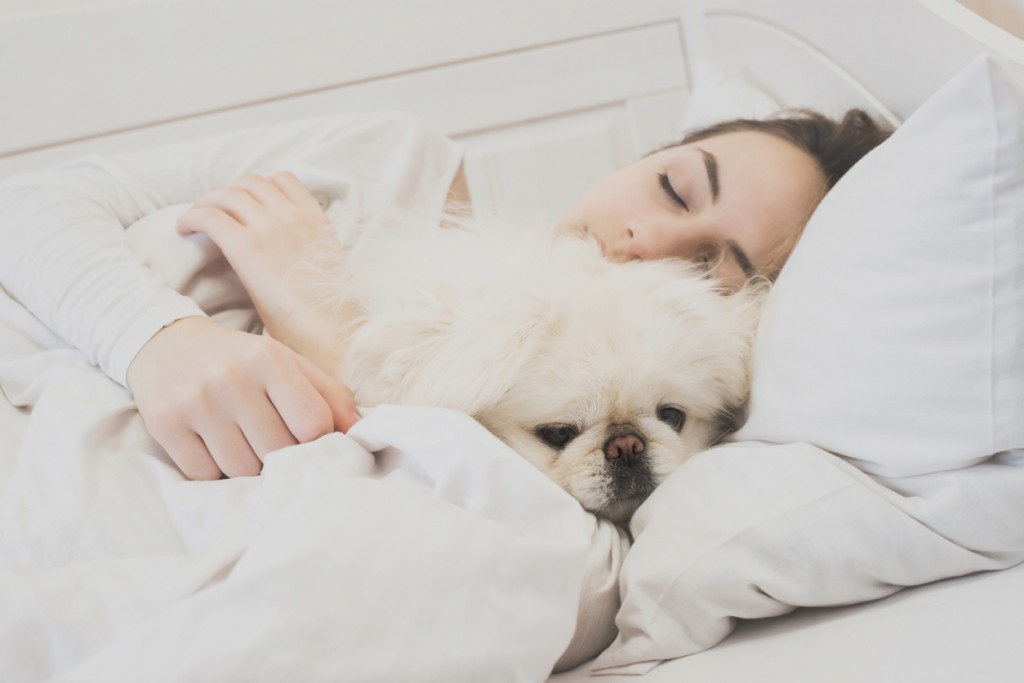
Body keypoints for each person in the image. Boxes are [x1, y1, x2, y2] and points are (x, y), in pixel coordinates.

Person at [0, 108, 890, 482]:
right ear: (642, 154)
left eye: (709, 266)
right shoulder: (394, 160)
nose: (644, 242)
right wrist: (160, 337)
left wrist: (325, 332)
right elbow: (26, 204)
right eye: (671, 188)